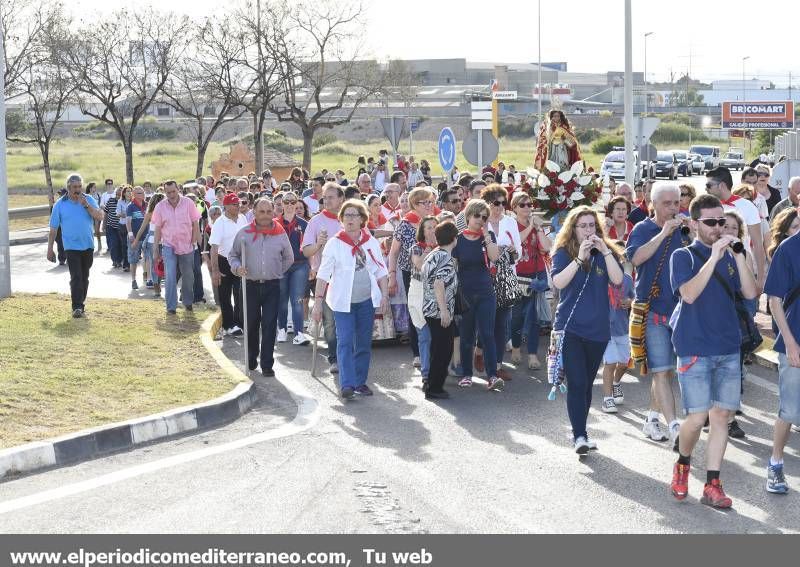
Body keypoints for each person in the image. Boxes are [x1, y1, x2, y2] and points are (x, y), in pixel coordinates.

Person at [669, 194, 758, 508]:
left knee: (721, 415)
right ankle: (682, 462)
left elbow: (750, 292)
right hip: (694, 347)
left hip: (727, 346)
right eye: (710, 222)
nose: (718, 228)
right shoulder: (683, 256)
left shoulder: (731, 254)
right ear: (694, 224)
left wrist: (740, 256)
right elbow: (689, 294)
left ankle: (713, 484)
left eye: (721, 221)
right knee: (696, 418)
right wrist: (713, 257)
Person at [551, 206, 624, 454]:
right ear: (573, 229)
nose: (588, 230)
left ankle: (582, 432)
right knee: (577, 382)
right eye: (583, 226)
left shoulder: (606, 251)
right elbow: (558, 282)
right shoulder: (563, 252)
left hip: (598, 329)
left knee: (586, 384)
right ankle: (579, 435)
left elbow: (617, 279)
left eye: (592, 225)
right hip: (570, 328)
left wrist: (604, 252)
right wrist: (579, 258)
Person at [626, 184, 690, 446]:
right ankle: (675, 427)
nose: (674, 208)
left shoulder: (684, 230)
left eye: (677, 202)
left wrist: (696, 234)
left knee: (667, 372)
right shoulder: (643, 229)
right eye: (668, 203)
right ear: (653, 204)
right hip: (652, 311)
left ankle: (652, 418)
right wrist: (664, 233)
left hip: (680, 311)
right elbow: (636, 259)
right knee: (661, 371)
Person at [312, 199, 390, 400]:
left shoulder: (370, 242)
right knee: (345, 341)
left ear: (362, 219)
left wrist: (385, 296)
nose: (350, 219)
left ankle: (360, 382)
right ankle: (346, 384)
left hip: (366, 300)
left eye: (354, 215)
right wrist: (318, 302)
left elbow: (381, 270)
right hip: (342, 302)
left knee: (363, 342)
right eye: (346, 215)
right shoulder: (335, 243)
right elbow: (323, 275)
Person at [229, 198, 294, 377]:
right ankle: (251, 357)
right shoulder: (244, 233)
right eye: (261, 211)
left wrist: (276, 272)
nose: (265, 215)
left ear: (273, 212)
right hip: (249, 284)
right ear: (254, 213)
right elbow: (233, 255)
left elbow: (289, 257)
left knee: (269, 324)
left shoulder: (280, 233)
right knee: (250, 323)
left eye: (268, 211)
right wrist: (237, 267)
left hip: (272, 285)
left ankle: (267, 364)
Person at [763, 221, 800, 494]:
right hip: (796, 340)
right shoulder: (789, 248)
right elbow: (775, 299)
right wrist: (789, 342)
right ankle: (775, 463)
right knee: (789, 410)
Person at [452, 200, 502, 390]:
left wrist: (487, 235)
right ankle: (466, 373)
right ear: (468, 216)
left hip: (485, 292)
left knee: (487, 334)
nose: (480, 220)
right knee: (466, 336)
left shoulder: (487, 237)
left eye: (484, 217)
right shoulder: (458, 239)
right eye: (477, 216)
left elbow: (495, 257)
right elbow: (453, 264)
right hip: (465, 294)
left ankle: (492, 375)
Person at [388, 187, 436, 368]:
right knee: (416, 310)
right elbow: (393, 253)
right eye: (426, 202)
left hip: (433, 272)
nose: (430, 205)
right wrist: (392, 276)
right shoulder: (405, 224)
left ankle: (431, 348)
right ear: (415, 204)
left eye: (431, 201)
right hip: (411, 274)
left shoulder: (433, 222)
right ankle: (417, 351)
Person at [47, 173, 105, 318]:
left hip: (87, 245)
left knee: (84, 276)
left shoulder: (89, 199)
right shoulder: (60, 205)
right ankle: (77, 307)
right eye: (74, 187)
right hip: (70, 247)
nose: (78, 189)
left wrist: (86, 206)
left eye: (80, 186)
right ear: (68, 188)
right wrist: (50, 250)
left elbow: (99, 216)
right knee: (76, 276)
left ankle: (81, 301)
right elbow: (53, 229)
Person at [302, 183, 345, 374]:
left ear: (341, 199)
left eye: (331, 197)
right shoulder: (315, 222)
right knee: (330, 321)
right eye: (324, 197)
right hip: (325, 278)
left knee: (347, 318)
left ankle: (347, 354)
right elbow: (305, 251)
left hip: (348, 278)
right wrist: (319, 244)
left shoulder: (350, 219)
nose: (326, 201)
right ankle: (334, 357)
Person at [482, 184, 522, 380]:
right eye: (495, 203)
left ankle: (496, 365)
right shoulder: (480, 222)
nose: (499, 207)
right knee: (485, 323)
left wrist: (512, 251)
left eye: (502, 203)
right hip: (485, 279)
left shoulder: (510, 222)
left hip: (506, 279)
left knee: (502, 324)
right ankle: (480, 351)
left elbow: (519, 251)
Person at [706, 167, 766, 293]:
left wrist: (760, 280)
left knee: (745, 311)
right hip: (714, 271)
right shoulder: (707, 207)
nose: (706, 189)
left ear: (721, 185)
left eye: (709, 185)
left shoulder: (748, 206)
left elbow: (758, 245)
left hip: (743, 271)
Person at [509, 191, 551, 370]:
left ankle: (533, 355)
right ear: (515, 207)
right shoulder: (511, 224)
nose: (527, 208)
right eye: (523, 205)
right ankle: (516, 347)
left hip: (535, 274)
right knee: (517, 316)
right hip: (517, 276)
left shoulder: (535, 225)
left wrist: (539, 228)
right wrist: (530, 226)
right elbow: (517, 243)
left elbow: (547, 247)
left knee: (533, 316)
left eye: (529, 205)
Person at [421, 221, 459, 400]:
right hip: (438, 310)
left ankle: (430, 382)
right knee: (443, 350)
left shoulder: (433, 254)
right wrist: (444, 310)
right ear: (454, 239)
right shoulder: (444, 257)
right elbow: (438, 283)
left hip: (429, 308)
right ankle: (435, 387)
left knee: (436, 348)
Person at [152, 180, 201, 315]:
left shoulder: (188, 203)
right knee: (170, 275)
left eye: (173, 191)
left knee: (188, 276)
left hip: (187, 245)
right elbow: (157, 228)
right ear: (164, 192)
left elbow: (195, 222)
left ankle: (187, 302)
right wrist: (155, 248)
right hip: (169, 245)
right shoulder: (160, 207)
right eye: (168, 193)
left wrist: (194, 240)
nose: (171, 195)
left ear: (178, 189)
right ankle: (171, 307)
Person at [209, 193, 249, 336]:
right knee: (225, 295)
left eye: (238, 203)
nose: (238, 206)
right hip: (224, 261)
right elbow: (214, 247)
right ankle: (228, 325)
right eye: (234, 204)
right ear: (225, 206)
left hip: (239, 260)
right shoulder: (220, 222)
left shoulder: (243, 218)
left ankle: (238, 323)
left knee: (240, 293)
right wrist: (215, 270)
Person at [600, 251, 634, 413]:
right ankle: (607, 399)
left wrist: (630, 302)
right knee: (611, 362)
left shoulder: (627, 280)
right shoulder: (599, 279)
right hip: (605, 329)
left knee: (624, 363)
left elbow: (635, 298)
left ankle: (616, 383)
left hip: (622, 328)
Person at [276, 192, 312, 346]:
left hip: (300, 265)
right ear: (282, 204)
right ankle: (282, 329)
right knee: (282, 300)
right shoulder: (275, 224)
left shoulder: (304, 224)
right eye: (287, 202)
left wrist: (312, 266)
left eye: (293, 202)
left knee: (297, 300)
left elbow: (309, 247)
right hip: (281, 266)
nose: (290, 205)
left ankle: (299, 333)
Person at [408, 216, 439, 389]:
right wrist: (429, 251)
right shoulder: (416, 248)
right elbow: (420, 265)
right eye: (428, 227)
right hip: (419, 294)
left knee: (439, 336)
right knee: (425, 335)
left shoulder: (445, 247)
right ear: (422, 230)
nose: (432, 230)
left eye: (435, 226)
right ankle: (426, 374)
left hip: (439, 294)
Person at [133, 192, 165, 297]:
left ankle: (158, 283)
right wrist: (136, 240)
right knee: (155, 264)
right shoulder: (150, 214)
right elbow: (142, 228)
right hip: (152, 242)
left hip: (165, 241)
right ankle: (156, 285)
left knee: (162, 265)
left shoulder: (166, 213)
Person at [125, 186, 148, 289]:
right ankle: (133, 280)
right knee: (133, 259)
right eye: (139, 193)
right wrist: (130, 235)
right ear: (134, 194)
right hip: (135, 237)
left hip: (147, 236)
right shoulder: (131, 206)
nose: (142, 195)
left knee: (147, 257)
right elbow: (128, 221)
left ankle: (146, 277)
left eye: (142, 192)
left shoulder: (147, 205)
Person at [103, 186, 123, 268]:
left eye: (120, 193)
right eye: (117, 193)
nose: (118, 195)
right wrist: (104, 225)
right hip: (111, 226)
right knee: (113, 244)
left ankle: (120, 260)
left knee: (121, 244)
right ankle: (115, 260)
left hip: (122, 227)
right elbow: (106, 214)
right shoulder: (110, 201)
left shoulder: (125, 202)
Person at [116, 186, 130, 272]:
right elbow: (118, 213)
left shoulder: (133, 202)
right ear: (124, 193)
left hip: (132, 226)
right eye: (127, 191)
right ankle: (126, 264)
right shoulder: (120, 201)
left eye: (130, 191)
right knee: (125, 245)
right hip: (123, 225)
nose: (129, 193)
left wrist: (126, 214)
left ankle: (132, 262)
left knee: (132, 246)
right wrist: (127, 215)